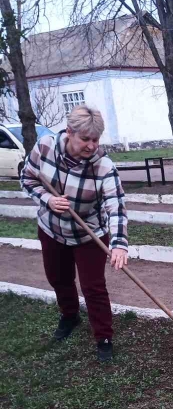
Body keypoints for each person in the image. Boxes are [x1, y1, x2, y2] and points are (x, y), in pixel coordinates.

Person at [20, 105, 128, 362]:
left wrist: (119, 243)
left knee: (93, 287)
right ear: (69, 132)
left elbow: (116, 205)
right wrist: (47, 199)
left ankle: (103, 337)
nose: (92, 146)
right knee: (58, 277)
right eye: (85, 139)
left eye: (96, 140)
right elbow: (27, 178)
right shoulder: (44, 147)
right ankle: (70, 315)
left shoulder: (103, 166)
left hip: (88, 234)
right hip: (51, 229)